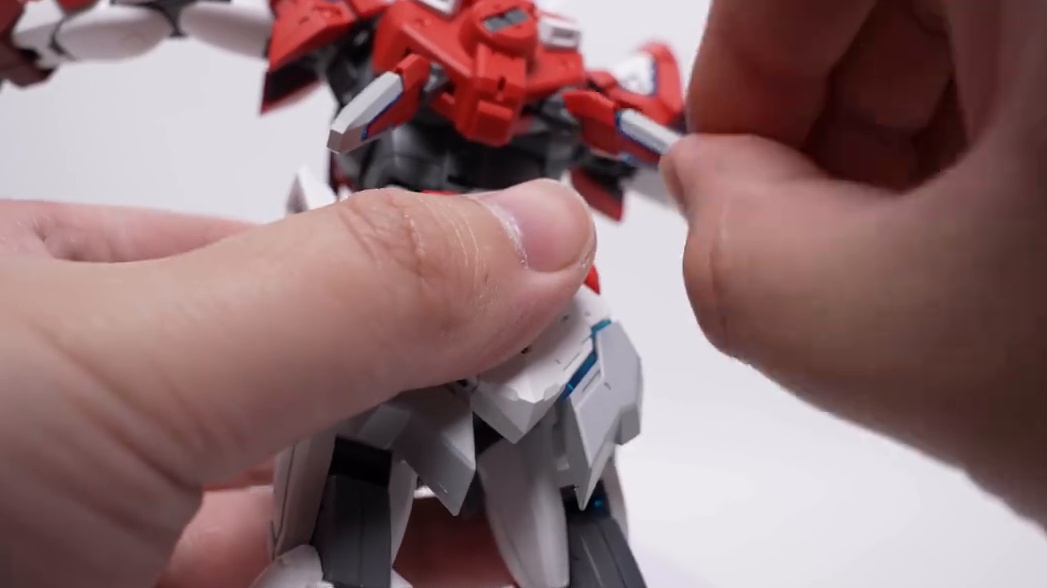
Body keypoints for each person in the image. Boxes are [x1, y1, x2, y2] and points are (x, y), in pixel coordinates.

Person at [0, 0, 1043, 586]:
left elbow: (684, 155)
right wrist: (54, 26)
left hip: (536, 335)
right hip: (369, 341)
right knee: (333, 526)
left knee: (577, 521)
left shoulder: (564, 92)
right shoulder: (382, 38)